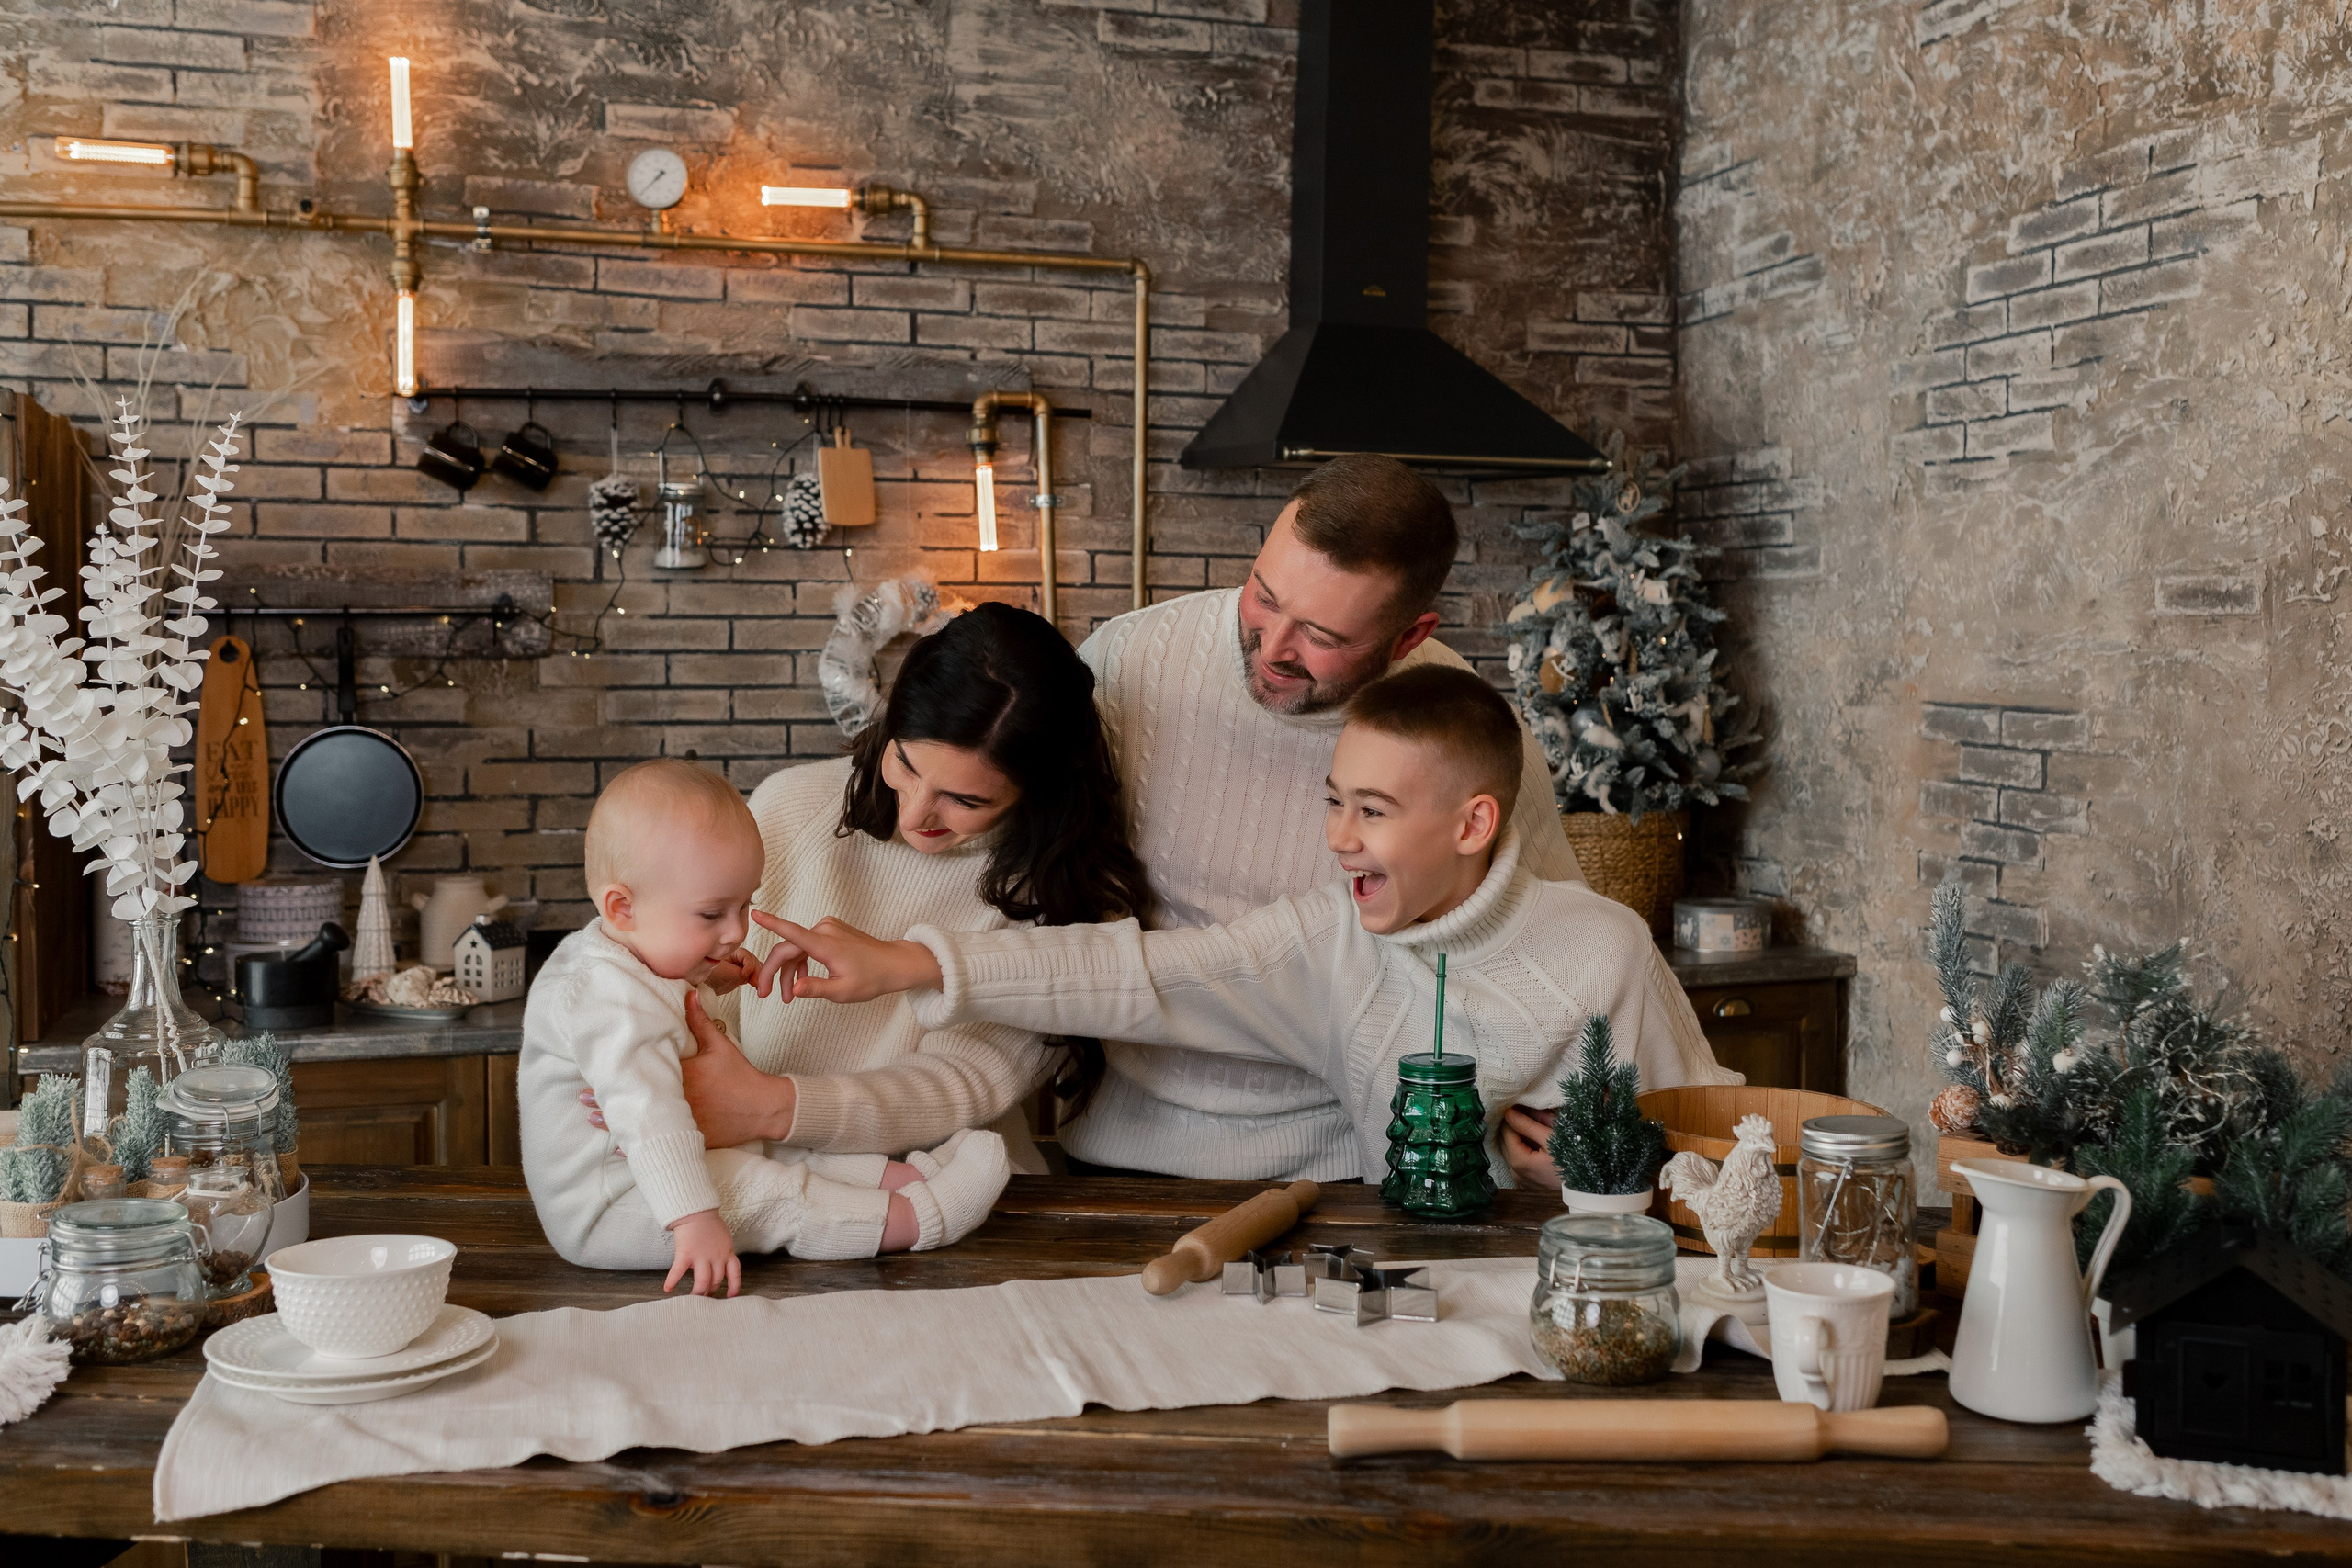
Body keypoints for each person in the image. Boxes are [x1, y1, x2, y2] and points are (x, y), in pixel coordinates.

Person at [751, 667, 1736, 1191]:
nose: (1339, 839)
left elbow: (1722, 1153)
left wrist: (1595, 1163)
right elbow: (1141, 975)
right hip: (1407, 1282)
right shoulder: (1328, 940)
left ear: (1473, 825)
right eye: (1333, 800)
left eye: (1375, 811)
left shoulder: (1602, 949)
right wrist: (907, 964)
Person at [1061, 453, 1588, 1181]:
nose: (1273, 647)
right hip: (1123, 1146)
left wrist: (1569, 1113)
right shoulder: (1128, 661)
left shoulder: (1464, 727)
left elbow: (1561, 943)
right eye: (1263, 595)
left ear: (1410, 637)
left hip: (1359, 1163)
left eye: (1322, 636)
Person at [599, 602, 1157, 1186]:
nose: (915, 814)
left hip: (948, 1189)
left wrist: (772, 1105)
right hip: (758, 1177)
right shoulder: (787, 809)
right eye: (906, 763)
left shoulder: (1070, 895)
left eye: (966, 801)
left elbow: (965, 1082)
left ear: (1038, 792)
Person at [520, 759, 1010, 1296]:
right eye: (712, 916)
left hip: (650, 1174)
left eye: (745, 904)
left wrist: (707, 978)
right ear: (622, 908)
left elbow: (664, 1007)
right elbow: (651, 1120)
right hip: (613, 1205)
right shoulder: (608, 1002)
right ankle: (919, 1220)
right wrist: (695, 1219)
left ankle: (908, 1178)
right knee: (770, 1192)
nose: (736, 931)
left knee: (771, 1149)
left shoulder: (621, 960)